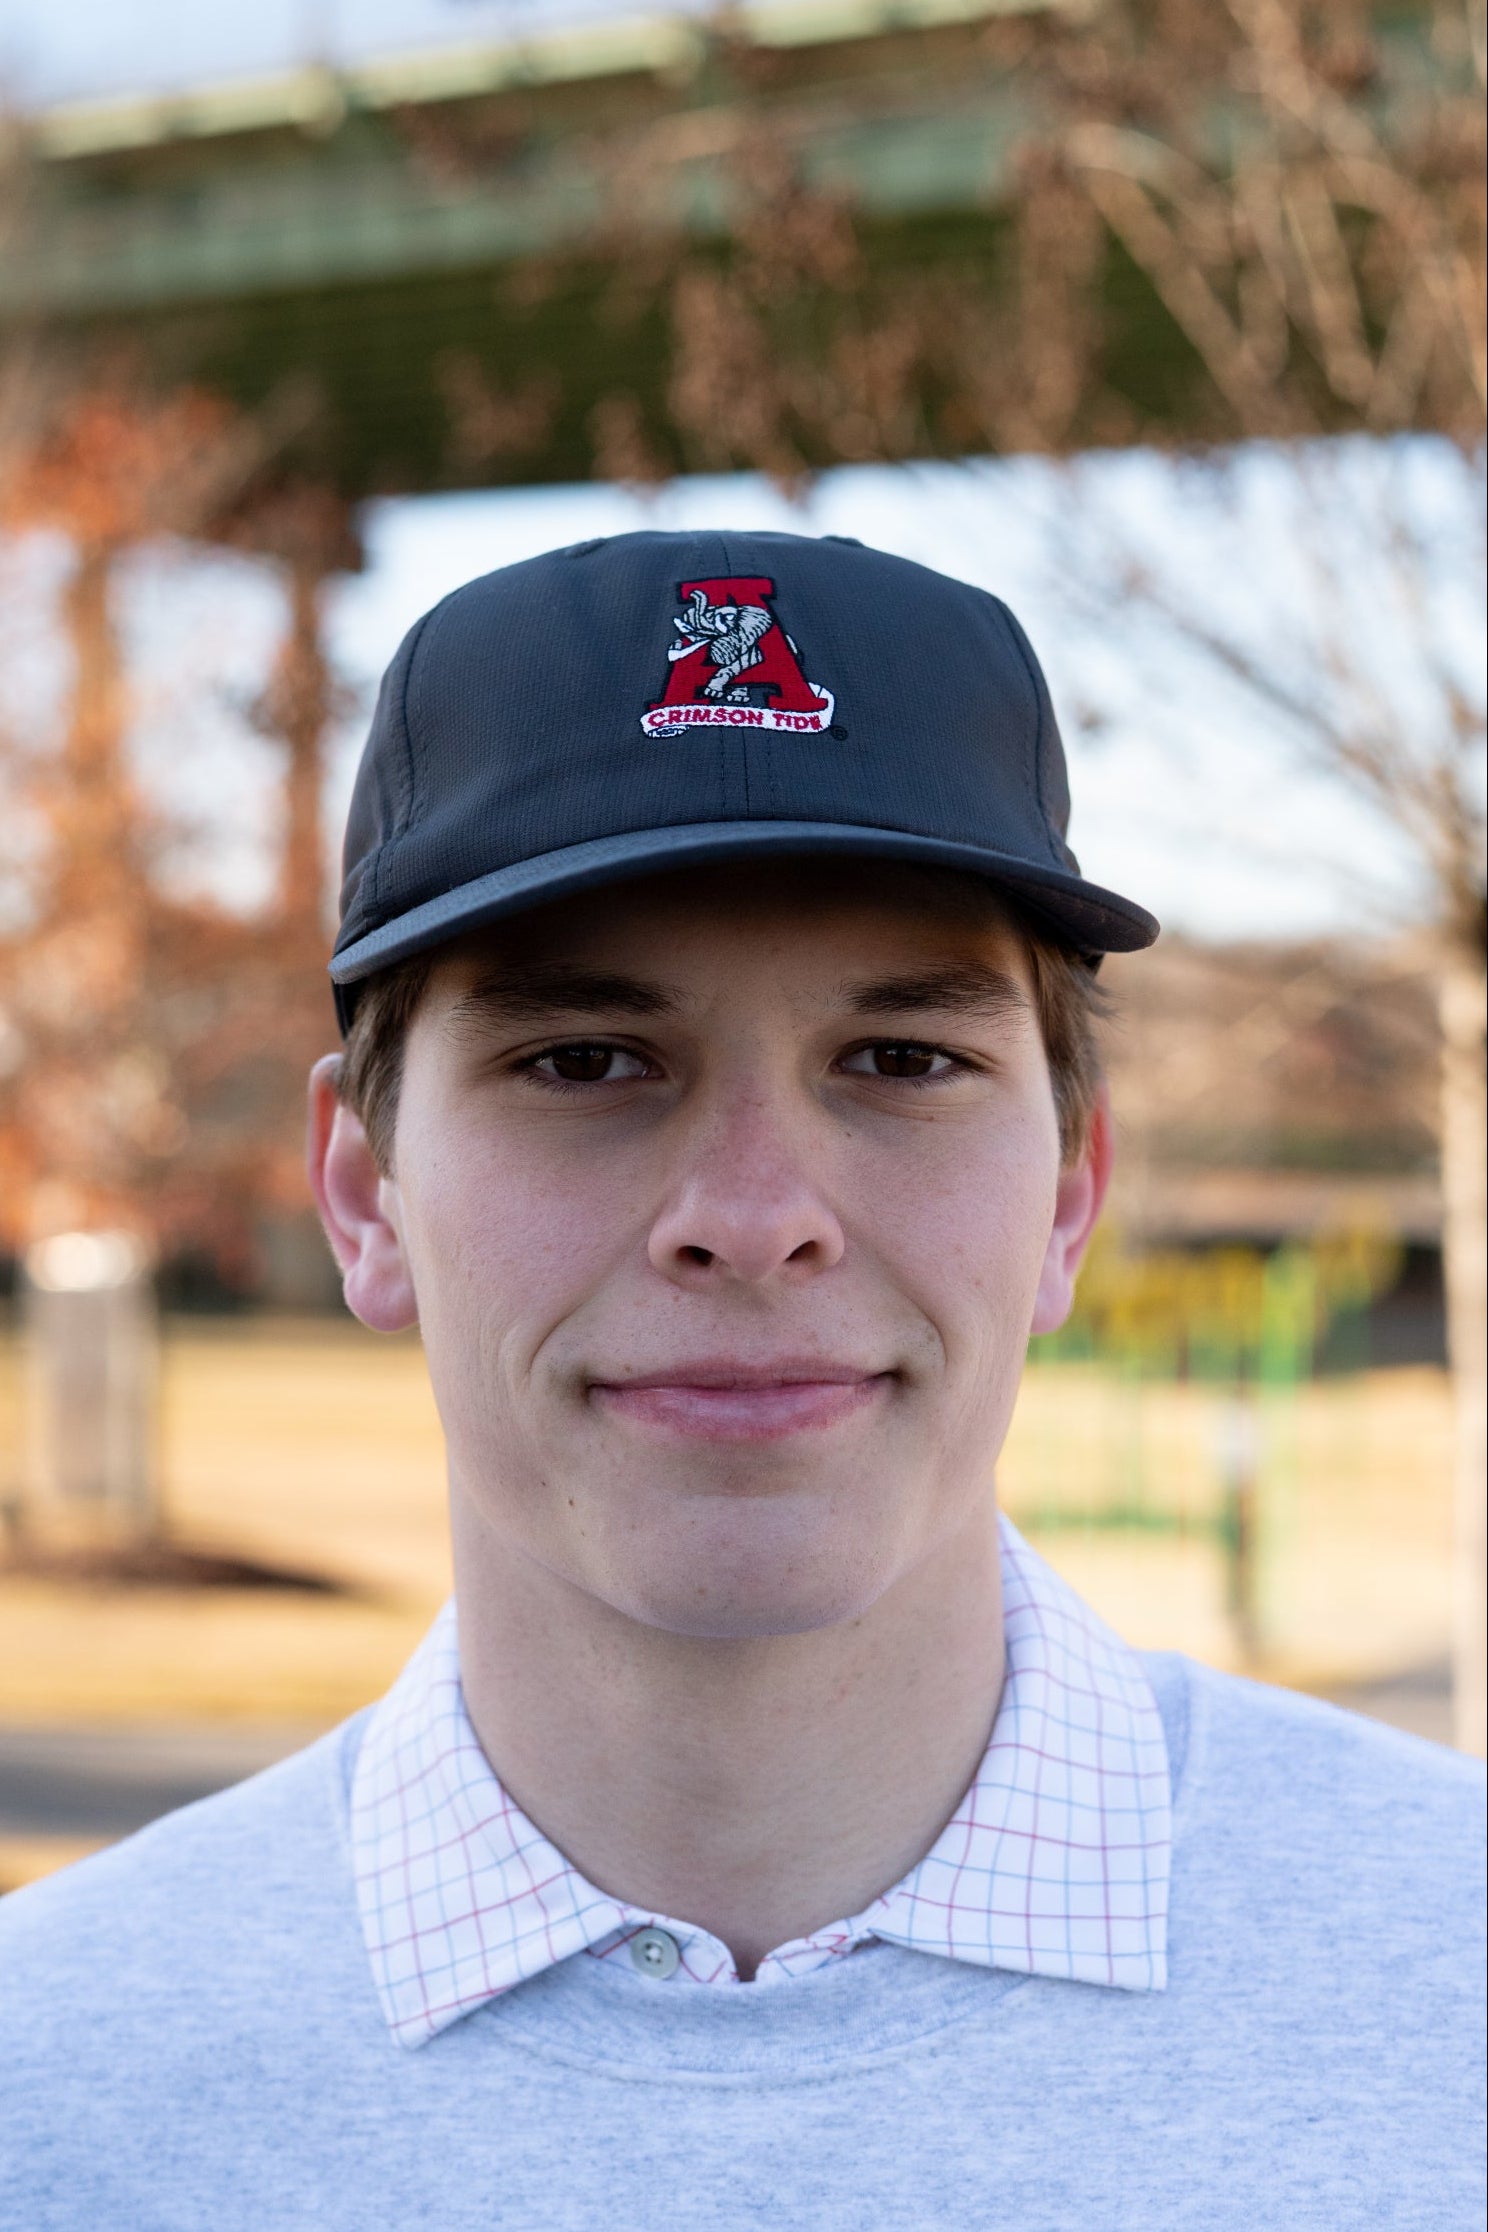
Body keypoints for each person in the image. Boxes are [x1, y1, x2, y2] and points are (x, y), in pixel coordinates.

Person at [2, 532, 1481, 2231]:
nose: (757, 1217)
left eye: (902, 1058)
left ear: (1071, 1195)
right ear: (364, 1195)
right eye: (585, 1060)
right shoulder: (47, 2086)